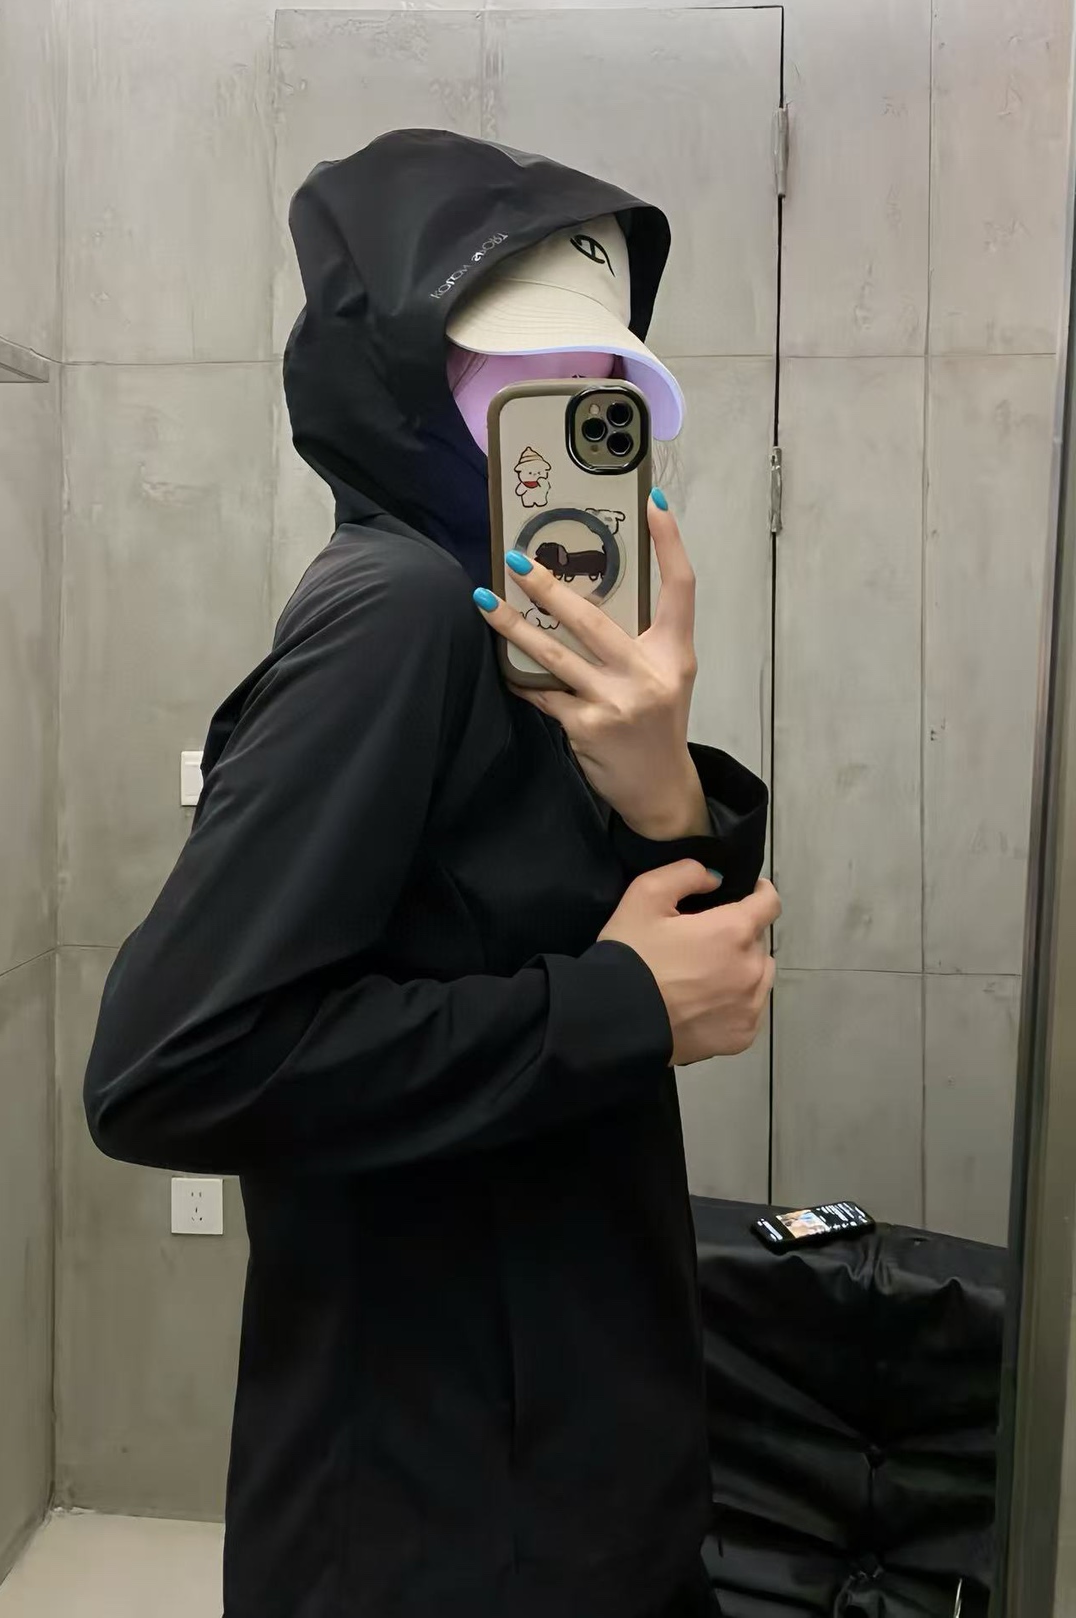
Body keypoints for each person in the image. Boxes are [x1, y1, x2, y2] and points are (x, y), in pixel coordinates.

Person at [84, 130, 779, 1618]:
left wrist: (664, 788)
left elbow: (661, 972)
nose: (568, 417)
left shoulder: (506, 623)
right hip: (442, 1517)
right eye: (520, 381)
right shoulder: (395, 616)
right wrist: (615, 1006)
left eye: (601, 386)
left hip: (564, 1457)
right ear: (400, 379)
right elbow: (168, 1065)